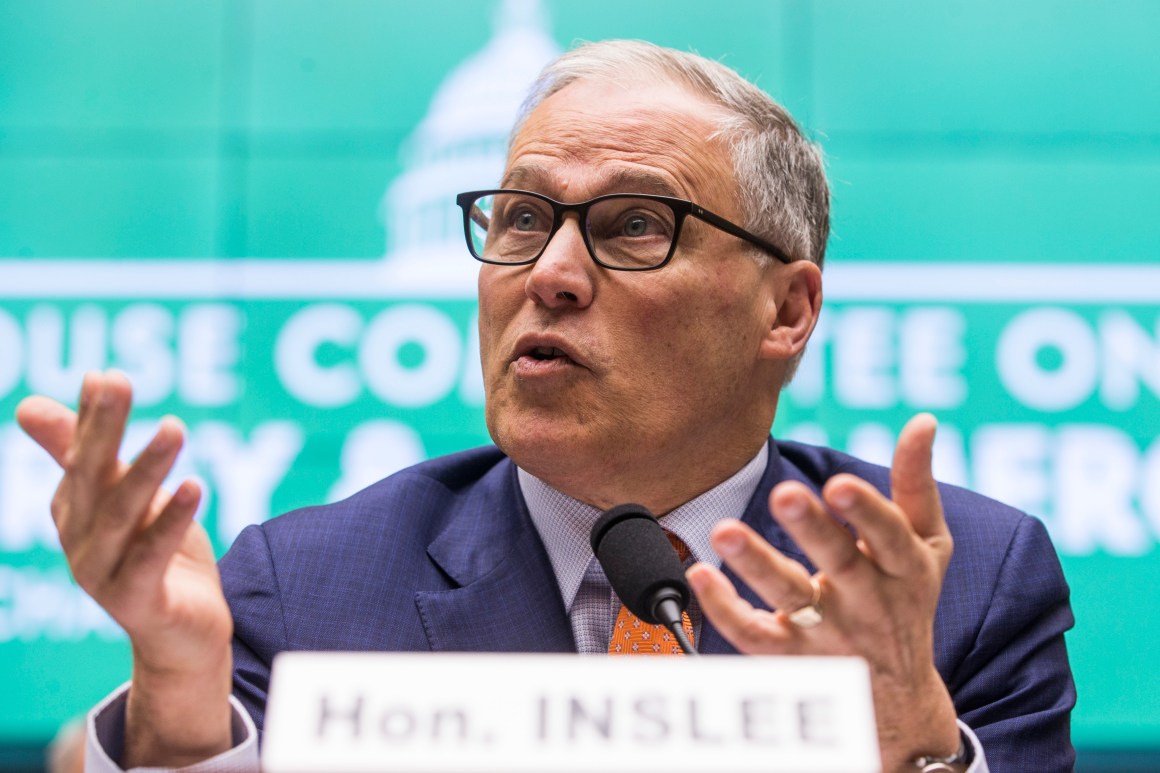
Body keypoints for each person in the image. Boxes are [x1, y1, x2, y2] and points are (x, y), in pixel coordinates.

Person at [16, 40, 1074, 773]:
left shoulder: (963, 584)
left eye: (630, 225)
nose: (551, 272)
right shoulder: (305, 586)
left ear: (785, 310)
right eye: (521, 218)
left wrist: (911, 742)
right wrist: (180, 698)